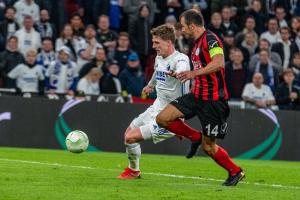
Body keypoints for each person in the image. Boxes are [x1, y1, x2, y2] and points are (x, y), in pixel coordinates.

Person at [155, 10, 244, 186]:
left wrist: (193, 73)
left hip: (213, 101)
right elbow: (198, 71)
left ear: (192, 26)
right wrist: (182, 76)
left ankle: (236, 172)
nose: (181, 30)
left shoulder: (212, 40)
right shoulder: (195, 44)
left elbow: (218, 63)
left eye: (183, 26)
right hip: (196, 96)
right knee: (162, 119)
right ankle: (194, 136)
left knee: (209, 147)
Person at [117, 24, 193, 179]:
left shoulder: (181, 59)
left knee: (131, 137)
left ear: (169, 42)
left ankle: (133, 172)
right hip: (156, 107)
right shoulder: (159, 58)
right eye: (153, 42)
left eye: (157, 43)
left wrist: (177, 73)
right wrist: (150, 85)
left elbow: (182, 70)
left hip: (170, 116)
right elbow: (157, 72)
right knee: (127, 135)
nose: (153, 46)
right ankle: (134, 170)